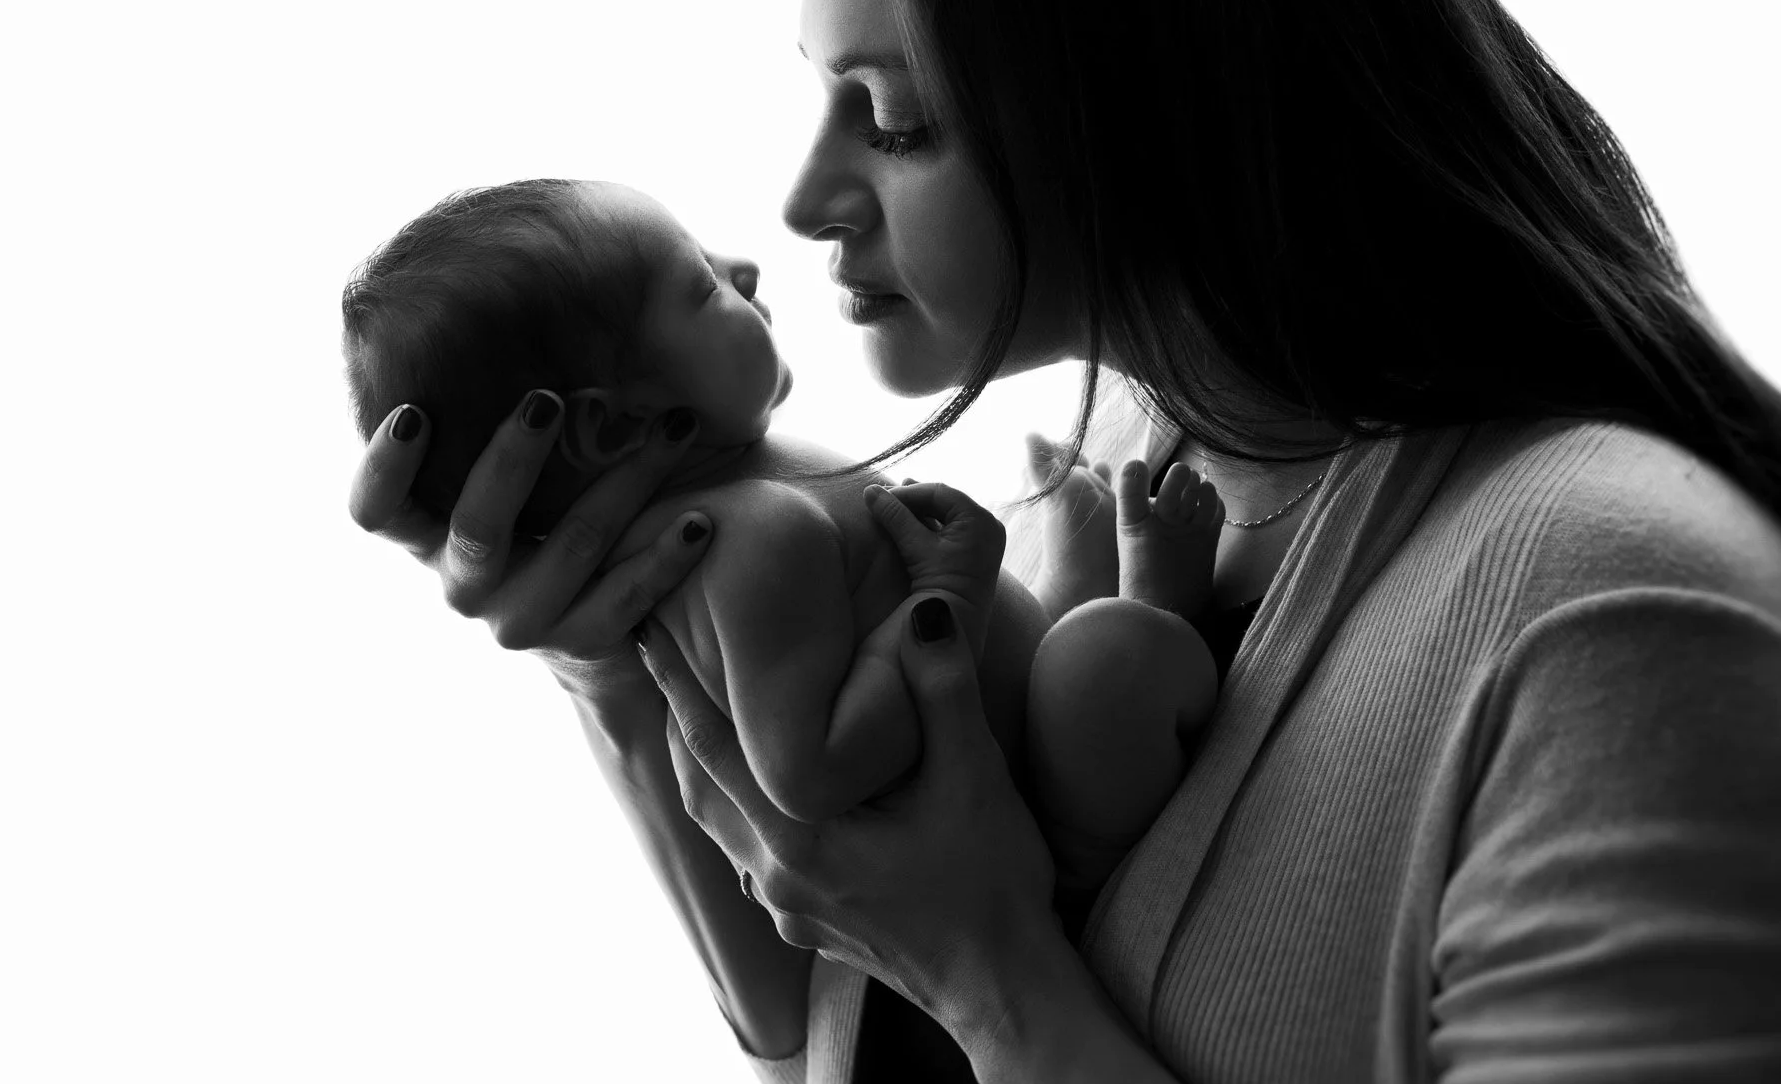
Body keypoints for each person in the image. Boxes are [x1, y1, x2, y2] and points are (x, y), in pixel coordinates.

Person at [348, 0, 1781, 1084]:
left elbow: (964, 987)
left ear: (1162, 101)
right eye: (823, 96)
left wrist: (991, 976)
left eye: (895, 120)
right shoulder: (1118, 463)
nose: (802, 200)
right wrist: (616, 664)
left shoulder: (1611, 626)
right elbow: (841, 1056)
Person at [340, 175, 1216, 880]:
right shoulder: (738, 544)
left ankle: (1103, 602)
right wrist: (950, 592)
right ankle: (1155, 607)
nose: (744, 268)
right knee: (1107, 661)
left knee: (1071, 638)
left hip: (1017, 738)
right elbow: (811, 771)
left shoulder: (751, 481)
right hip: (1043, 835)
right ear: (612, 427)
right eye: (699, 284)